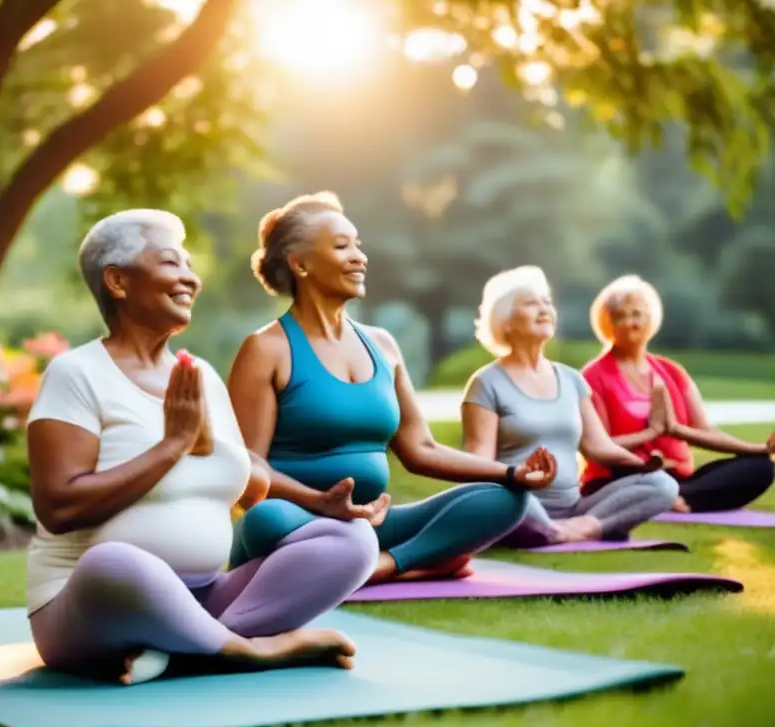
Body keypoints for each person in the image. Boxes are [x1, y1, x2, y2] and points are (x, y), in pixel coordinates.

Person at [25, 209, 380, 686]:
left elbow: (247, 476)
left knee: (353, 541)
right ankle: (248, 651)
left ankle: (186, 648)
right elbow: (59, 507)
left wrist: (318, 502)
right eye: (172, 263)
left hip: (208, 593)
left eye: (190, 266)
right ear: (118, 281)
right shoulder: (77, 374)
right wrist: (173, 444)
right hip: (92, 602)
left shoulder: (200, 376)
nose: (189, 278)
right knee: (116, 560)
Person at [226, 192, 558, 584]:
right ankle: (416, 560)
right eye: (341, 246)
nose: (359, 257)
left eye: (358, 245)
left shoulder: (383, 345)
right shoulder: (266, 349)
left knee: (505, 499)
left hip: (373, 521)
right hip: (298, 521)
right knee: (264, 519)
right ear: (300, 263)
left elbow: (422, 449)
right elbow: (250, 468)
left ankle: (381, 566)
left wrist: (511, 472)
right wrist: (320, 502)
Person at [460, 266, 680, 547]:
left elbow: (598, 447)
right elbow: (478, 463)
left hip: (574, 507)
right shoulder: (486, 382)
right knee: (500, 496)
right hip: (519, 505)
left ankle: (575, 529)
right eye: (531, 303)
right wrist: (513, 484)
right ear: (505, 322)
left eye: (547, 303)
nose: (543, 309)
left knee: (663, 484)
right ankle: (559, 530)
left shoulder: (571, 379)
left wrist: (643, 465)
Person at [581, 274, 774, 512]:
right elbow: (599, 448)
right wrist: (650, 434)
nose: (630, 323)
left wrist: (760, 449)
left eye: (637, 314)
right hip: (622, 474)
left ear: (650, 319)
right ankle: (662, 496)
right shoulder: (592, 377)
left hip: (677, 478)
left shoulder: (673, 372)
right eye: (620, 316)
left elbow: (705, 430)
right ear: (607, 323)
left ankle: (673, 498)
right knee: (631, 473)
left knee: (761, 468)